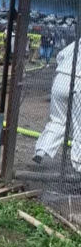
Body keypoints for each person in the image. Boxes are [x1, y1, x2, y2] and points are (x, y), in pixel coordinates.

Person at [33, 39, 81, 170]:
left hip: (61, 79)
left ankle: (42, 150)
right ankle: (78, 164)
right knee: (78, 126)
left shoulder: (77, 42)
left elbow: (60, 56)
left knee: (57, 120)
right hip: (79, 82)